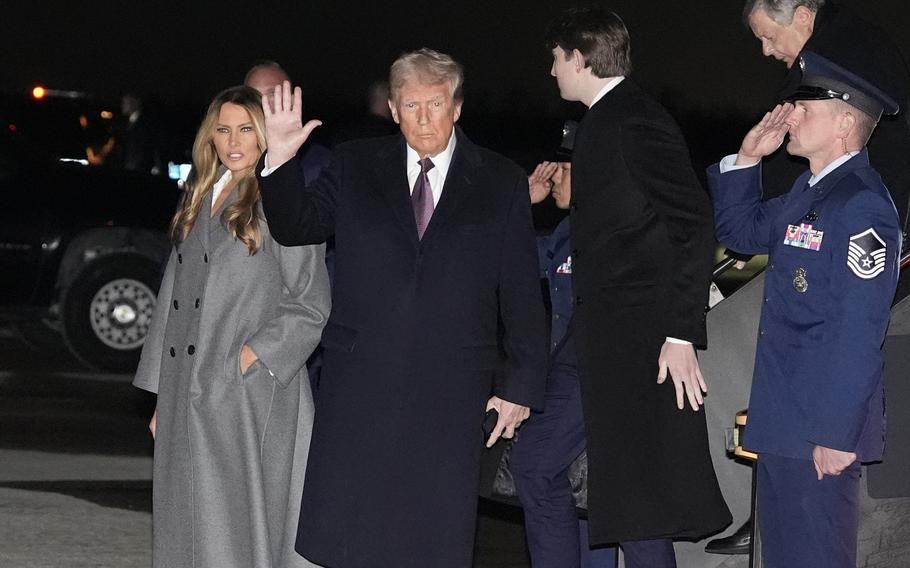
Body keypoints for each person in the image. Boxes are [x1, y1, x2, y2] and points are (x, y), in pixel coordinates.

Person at [257, 48, 547, 567]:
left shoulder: (500, 181)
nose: (423, 118)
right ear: (393, 109)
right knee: (354, 534)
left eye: (435, 104)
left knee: (430, 537)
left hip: (453, 387)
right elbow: (296, 226)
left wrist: (518, 387)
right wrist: (278, 160)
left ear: (457, 106)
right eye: (410, 106)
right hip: (361, 380)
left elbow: (522, 292)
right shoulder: (354, 163)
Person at [542, 7, 732, 566]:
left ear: (579, 57)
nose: (551, 71)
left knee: (638, 504)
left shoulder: (633, 119)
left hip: (636, 346)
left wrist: (679, 332)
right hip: (595, 340)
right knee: (538, 463)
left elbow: (693, 222)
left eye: (555, 59)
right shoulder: (605, 121)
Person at [707, 51, 901, 568]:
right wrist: (747, 160)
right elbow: (739, 232)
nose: (788, 115)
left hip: (820, 429)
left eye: (803, 107)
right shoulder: (807, 193)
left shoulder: (861, 204)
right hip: (783, 420)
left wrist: (835, 435)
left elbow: (859, 330)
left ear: (843, 121)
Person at [133, 86, 331, 568]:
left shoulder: (281, 198)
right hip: (190, 391)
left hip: (249, 394)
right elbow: (172, 298)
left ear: (264, 135)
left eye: (245, 128)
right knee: (186, 522)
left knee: (236, 527)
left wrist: (250, 360)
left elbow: (310, 304)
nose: (233, 141)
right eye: (222, 129)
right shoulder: (200, 195)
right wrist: (163, 392)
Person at [511, 151, 619, 568]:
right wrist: (517, 206)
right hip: (563, 383)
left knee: (574, 488)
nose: (554, 176)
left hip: (593, 384)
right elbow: (509, 262)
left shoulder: (608, 233)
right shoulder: (564, 233)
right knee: (574, 494)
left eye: (566, 170)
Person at [743, 0, 910, 233]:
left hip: (857, 216)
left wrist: (757, 223)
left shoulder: (823, 61)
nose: (766, 50)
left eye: (769, 37)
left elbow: (794, 153)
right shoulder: (858, 37)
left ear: (802, 16)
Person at [245, 61, 332, 185]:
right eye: (253, 95)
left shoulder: (320, 164)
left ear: (292, 99)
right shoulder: (229, 160)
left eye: (272, 94)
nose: (262, 102)